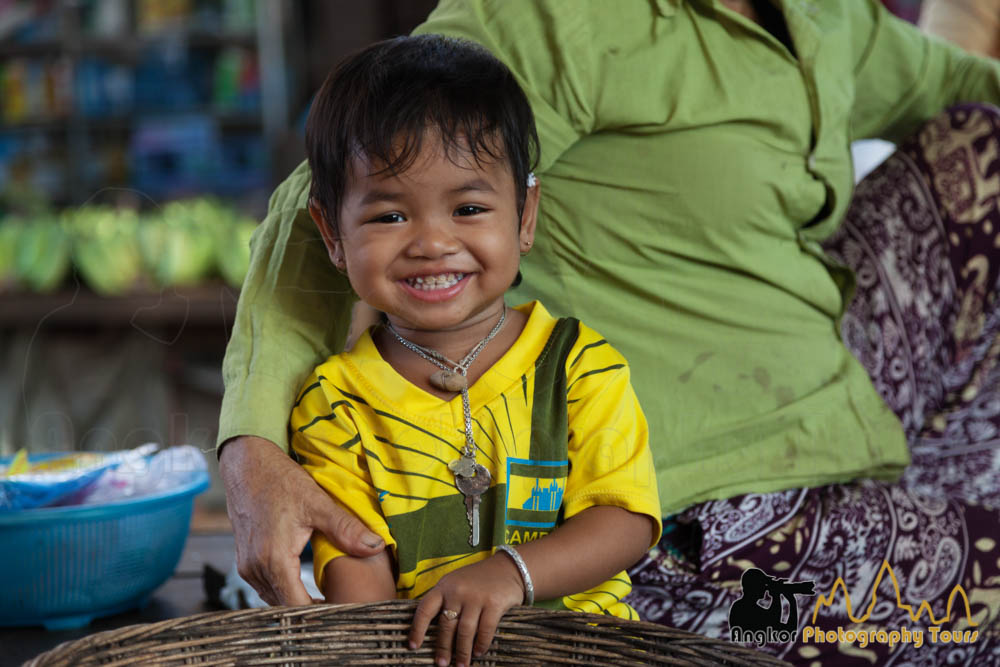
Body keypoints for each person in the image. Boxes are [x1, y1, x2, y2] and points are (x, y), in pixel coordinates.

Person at [219, 1, 1000, 664]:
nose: (429, 237)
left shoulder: (827, 16)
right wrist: (254, 450)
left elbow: (962, 86)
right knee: (986, 590)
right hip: (685, 512)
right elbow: (334, 191)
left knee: (983, 150)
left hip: (827, 402)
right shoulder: (573, 15)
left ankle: (909, 517)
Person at [287, 34, 660, 666]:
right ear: (332, 233)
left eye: (467, 207)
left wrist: (511, 573)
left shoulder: (579, 368)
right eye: (388, 217)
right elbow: (360, 577)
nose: (433, 244)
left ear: (525, 215)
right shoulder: (335, 405)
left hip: (587, 655)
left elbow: (625, 520)